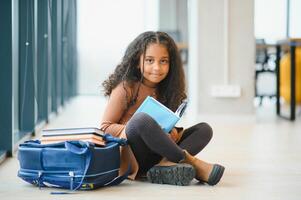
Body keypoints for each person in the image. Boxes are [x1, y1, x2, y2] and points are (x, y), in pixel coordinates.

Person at [100, 31, 225, 186]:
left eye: (163, 61)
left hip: (160, 152)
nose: (157, 68)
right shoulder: (126, 87)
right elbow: (105, 128)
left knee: (204, 129)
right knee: (141, 120)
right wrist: (140, 126)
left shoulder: (168, 89)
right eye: (150, 60)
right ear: (137, 62)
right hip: (134, 155)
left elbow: (166, 122)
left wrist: (172, 132)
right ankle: (190, 162)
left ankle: (164, 166)